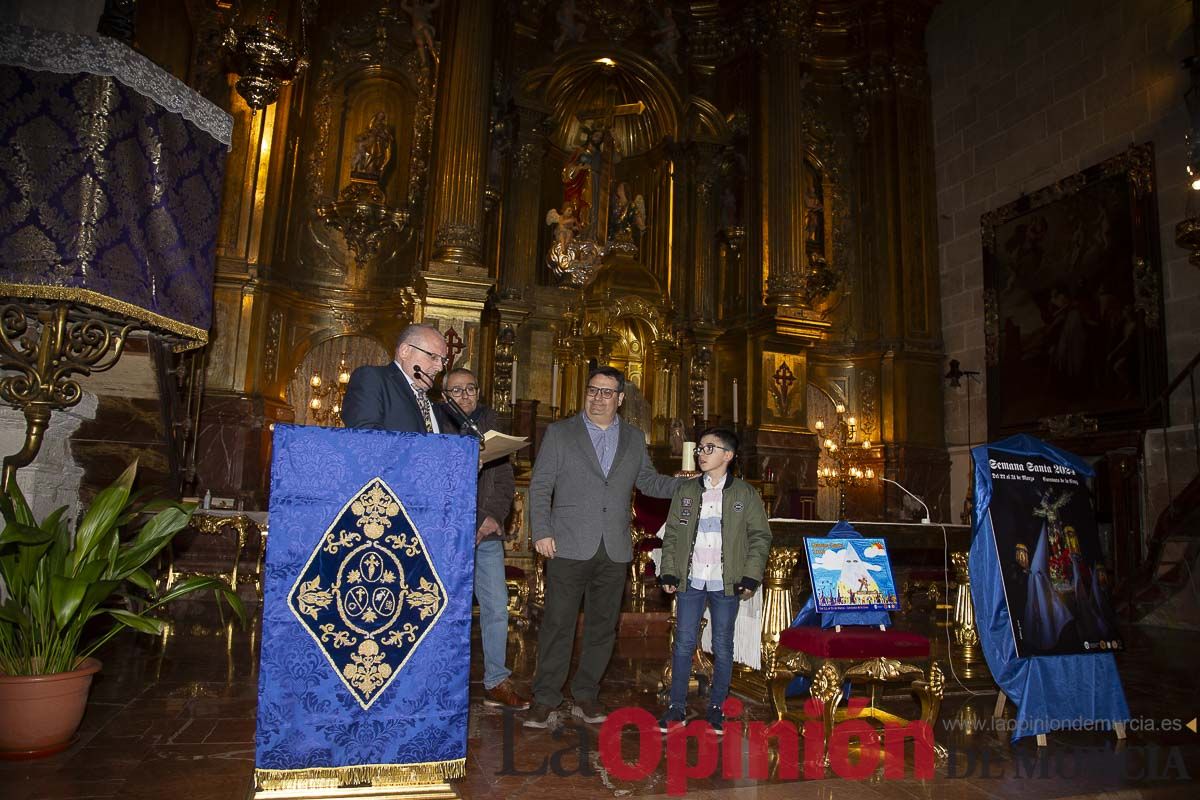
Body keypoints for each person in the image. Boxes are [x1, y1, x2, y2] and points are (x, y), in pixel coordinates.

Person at [524, 366, 682, 728]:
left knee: (603, 627)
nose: (598, 398)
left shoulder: (633, 438)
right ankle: (545, 697)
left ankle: (587, 695)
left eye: (607, 392)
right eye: (593, 390)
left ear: (620, 399)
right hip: (566, 544)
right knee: (558, 624)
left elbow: (646, 480)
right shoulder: (561, 433)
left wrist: (687, 485)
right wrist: (542, 531)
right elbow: (541, 484)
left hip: (613, 547)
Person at [657, 427, 772, 735]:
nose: (701, 454)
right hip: (692, 580)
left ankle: (717, 708)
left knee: (722, 644)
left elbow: (760, 537)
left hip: (726, 582)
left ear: (728, 455)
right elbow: (672, 535)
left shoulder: (745, 494)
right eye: (700, 449)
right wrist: (669, 570)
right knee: (682, 644)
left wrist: (750, 575)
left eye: (709, 448)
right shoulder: (686, 491)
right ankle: (676, 707)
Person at [440, 368, 529, 710]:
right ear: (445, 396)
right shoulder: (434, 423)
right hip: (446, 531)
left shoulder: (492, 423)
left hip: (486, 532)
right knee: (445, 606)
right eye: (457, 390)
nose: (465, 396)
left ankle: (496, 680)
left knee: (495, 605)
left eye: (471, 389)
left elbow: (504, 478)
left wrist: (490, 518)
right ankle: (443, 679)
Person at [341, 323, 450, 433]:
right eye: (434, 357)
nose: (440, 367)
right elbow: (365, 436)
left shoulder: (434, 399)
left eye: (443, 361)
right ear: (405, 351)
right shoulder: (373, 379)